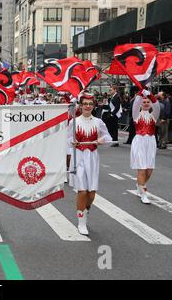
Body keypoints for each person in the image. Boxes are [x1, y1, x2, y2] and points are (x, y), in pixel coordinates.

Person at [68, 94, 112, 236]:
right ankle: (81, 222)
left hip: (92, 158)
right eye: (85, 103)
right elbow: (67, 138)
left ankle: (85, 212)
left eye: (90, 104)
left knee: (91, 193)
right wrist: (72, 142)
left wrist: (102, 139)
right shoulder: (74, 122)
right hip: (79, 157)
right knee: (82, 191)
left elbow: (108, 137)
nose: (87, 106)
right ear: (80, 106)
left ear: (93, 106)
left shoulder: (98, 122)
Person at [130, 90, 160, 204]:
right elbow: (135, 105)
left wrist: (150, 95)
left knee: (149, 170)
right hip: (139, 142)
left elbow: (157, 106)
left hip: (151, 142)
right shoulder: (136, 115)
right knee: (142, 168)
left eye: (148, 102)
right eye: (144, 102)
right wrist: (140, 94)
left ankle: (139, 184)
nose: (146, 103)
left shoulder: (153, 116)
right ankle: (143, 193)